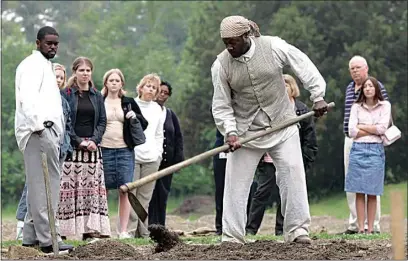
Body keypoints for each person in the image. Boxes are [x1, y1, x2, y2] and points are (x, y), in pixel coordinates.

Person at [211, 15, 328, 244]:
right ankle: (232, 237)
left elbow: (301, 63)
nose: (228, 46)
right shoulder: (220, 65)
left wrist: (318, 95)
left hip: (282, 125)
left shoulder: (273, 46)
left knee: (293, 174)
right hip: (246, 133)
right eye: (225, 41)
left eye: (233, 41)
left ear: (246, 36)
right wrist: (231, 132)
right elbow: (221, 104)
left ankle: (297, 232)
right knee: (235, 183)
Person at [14, 26, 73, 253]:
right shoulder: (31, 65)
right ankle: (49, 240)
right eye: (49, 43)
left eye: (56, 43)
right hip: (38, 132)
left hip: (48, 133)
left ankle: (30, 237)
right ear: (38, 42)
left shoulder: (45, 66)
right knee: (45, 187)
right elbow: (27, 99)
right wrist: (40, 127)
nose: (53, 47)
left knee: (38, 186)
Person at [246, 74, 318, 236]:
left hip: (292, 159)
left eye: (285, 85)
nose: (282, 89)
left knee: (286, 194)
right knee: (261, 193)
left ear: (292, 88)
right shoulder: (268, 107)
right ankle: (250, 229)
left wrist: (306, 159)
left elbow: (309, 137)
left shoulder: (301, 110)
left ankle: (281, 229)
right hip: (268, 160)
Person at [57, 57, 111, 241]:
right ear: (75, 72)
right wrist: (78, 141)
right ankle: (63, 231)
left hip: (93, 152)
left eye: (88, 70)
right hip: (72, 151)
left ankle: (90, 231)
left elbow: (103, 121)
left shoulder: (96, 95)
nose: (85, 73)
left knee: (91, 192)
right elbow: (64, 122)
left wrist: (94, 140)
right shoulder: (67, 94)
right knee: (68, 192)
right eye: (81, 70)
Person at [341, 55, 389, 234]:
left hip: (372, 142)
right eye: (352, 68)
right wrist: (353, 131)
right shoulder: (349, 88)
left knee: (372, 185)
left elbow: (383, 117)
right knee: (352, 183)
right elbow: (351, 125)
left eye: (358, 68)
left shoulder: (376, 86)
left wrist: (364, 129)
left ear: (366, 68)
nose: (354, 71)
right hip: (350, 139)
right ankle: (355, 224)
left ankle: (373, 225)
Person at [100, 68, 147, 239]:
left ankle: (123, 230)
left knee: (125, 189)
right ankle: (102, 229)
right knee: (101, 190)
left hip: (125, 150)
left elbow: (144, 124)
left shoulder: (128, 102)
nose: (114, 83)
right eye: (111, 80)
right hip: (103, 149)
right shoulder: (99, 100)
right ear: (105, 83)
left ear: (122, 84)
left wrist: (135, 116)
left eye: (117, 81)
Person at [125, 73, 165, 238]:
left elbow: (158, 134)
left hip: (152, 158)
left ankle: (143, 232)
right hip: (134, 156)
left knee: (144, 199)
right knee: (131, 197)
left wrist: (158, 154)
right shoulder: (130, 104)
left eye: (154, 87)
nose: (151, 89)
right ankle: (128, 231)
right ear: (141, 87)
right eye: (148, 85)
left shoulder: (158, 109)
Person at [149, 80, 184, 227]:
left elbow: (178, 138)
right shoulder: (147, 111)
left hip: (166, 162)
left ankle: (160, 226)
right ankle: (148, 225)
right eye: (160, 91)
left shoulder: (170, 114)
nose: (162, 95)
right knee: (149, 194)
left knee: (162, 195)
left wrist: (178, 161)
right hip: (150, 159)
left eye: (166, 93)